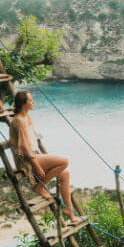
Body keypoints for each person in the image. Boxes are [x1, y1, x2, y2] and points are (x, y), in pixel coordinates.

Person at [9, 90, 80, 224]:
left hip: (35, 155)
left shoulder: (27, 117)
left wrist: (39, 158)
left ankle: (69, 212)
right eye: (30, 100)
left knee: (65, 174)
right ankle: (40, 187)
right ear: (24, 104)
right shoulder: (18, 120)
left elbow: (31, 142)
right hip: (26, 160)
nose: (33, 102)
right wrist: (36, 165)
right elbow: (24, 147)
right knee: (64, 162)